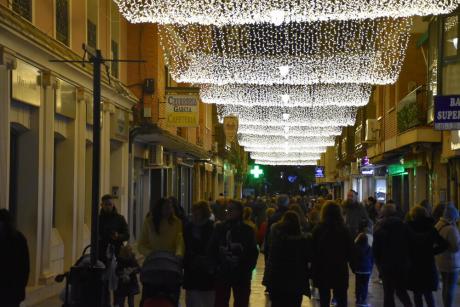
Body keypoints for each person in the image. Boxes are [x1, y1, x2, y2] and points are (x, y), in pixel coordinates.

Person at [208, 199, 259, 307]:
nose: (228, 212)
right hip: (222, 272)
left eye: (232, 209)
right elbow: (212, 248)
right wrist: (215, 267)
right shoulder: (220, 228)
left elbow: (253, 252)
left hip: (241, 273)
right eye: (227, 209)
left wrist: (247, 268)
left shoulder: (247, 230)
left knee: (241, 302)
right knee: (220, 302)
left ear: (239, 211)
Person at [138, 198, 185, 305]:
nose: (170, 210)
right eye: (167, 207)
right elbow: (141, 244)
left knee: (172, 298)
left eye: (171, 207)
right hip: (153, 265)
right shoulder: (149, 222)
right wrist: (150, 254)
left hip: (171, 265)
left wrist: (178, 254)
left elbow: (179, 240)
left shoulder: (177, 222)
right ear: (160, 208)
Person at [265, 210, 312, 307]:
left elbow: (271, 260)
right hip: (296, 281)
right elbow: (309, 258)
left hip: (278, 280)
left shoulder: (278, 240)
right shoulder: (303, 241)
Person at [312, 201, 353, 307]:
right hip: (339, 268)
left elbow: (313, 250)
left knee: (324, 299)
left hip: (322, 268)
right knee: (342, 298)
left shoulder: (318, 229)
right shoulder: (344, 229)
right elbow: (350, 250)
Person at [406, 206, 447, 307]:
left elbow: (403, 245)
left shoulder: (408, 228)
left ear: (413, 215)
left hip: (414, 264)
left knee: (417, 294)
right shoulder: (431, 228)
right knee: (428, 294)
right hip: (428, 265)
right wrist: (432, 252)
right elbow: (444, 245)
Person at [373, 203, 413, 307]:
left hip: (386, 265)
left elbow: (376, 250)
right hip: (401, 264)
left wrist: (379, 265)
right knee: (401, 291)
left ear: (383, 213)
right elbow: (410, 244)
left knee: (388, 294)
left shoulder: (379, 228)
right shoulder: (404, 226)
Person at [183, 201, 215, 307]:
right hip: (192, 269)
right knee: (192, 300)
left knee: (206, 300)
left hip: (206, 270)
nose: (195, 215)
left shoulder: (212, 228)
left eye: (198, 213)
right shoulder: (188, 227)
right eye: (194, 212)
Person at [0, 209, 30, 307]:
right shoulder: (19, 239)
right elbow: (25, 267)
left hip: (9, 290)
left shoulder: (16, 240)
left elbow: (24, 267)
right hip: (14, 291)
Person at [435, 203, 460, 307]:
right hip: (451, 262)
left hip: (441, 260)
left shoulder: (438, 225)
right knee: (450, 287)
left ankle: (446, 304)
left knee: (446, 285)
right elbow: (456, 247)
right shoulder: (451, 229)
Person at [98, 194, 130, 263]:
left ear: (113, 205)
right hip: (101, 252)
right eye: (106, 204)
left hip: (117, 252)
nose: (108, 207)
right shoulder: (98, 219)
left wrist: (118, 236)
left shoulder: (120, 218)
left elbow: (127, 235)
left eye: (110, 204)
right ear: (102, 205)